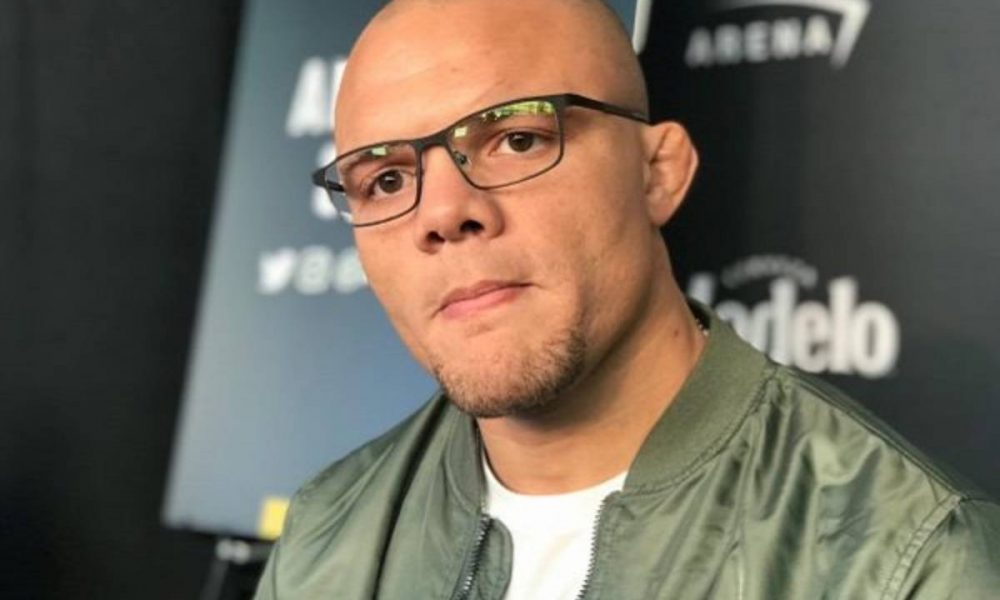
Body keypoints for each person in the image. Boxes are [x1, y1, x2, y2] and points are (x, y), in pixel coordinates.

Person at [255, 0, 1000, 597]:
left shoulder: (911, 562)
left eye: (517, 138)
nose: (444, 213)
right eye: (385, 180)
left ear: (658, 173)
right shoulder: (326, 536)